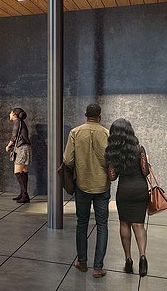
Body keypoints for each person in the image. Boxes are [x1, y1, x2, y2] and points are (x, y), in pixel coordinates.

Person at [64, 103, 110, 278]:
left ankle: (82, 262)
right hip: (102, 185)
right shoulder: (106, 133)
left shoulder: (75, 132)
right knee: (102, 225)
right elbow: (110, 160)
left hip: (82, 185)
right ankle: (98, 268)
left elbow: (68, 160)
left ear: (85, 115)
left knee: (82, 223)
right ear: (100, 116)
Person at [105, 118, 151, 277]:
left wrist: (110, 163)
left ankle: (128, 260)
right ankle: (143, 257)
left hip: (124, 190)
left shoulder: (112, 151)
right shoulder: (139, 149)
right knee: (139, 225)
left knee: (124, 224)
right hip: (140, 190)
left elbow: (112, 177)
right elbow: (145, 172)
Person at [6, 107, 32, 203]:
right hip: (26, 148)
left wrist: (8, 146)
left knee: (17, 171)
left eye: (10, 112)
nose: (9, 114)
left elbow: (14, 135)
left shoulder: (17, 121)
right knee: (24, 171)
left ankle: (25, 195)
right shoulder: (21, 122)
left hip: (21, 148)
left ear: (14, 114)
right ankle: (23, 193)